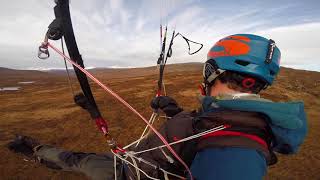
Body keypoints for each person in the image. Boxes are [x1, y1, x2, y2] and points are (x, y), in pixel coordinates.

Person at [7, 34, 307, 180]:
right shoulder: (234, 116)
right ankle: (37, 151)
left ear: (213, 72)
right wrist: (172, 109)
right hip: (143, 159)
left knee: (78, 160)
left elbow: (214, 142)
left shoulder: (236, 153)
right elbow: (203, 130)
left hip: (131, 172)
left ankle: (34, 151)